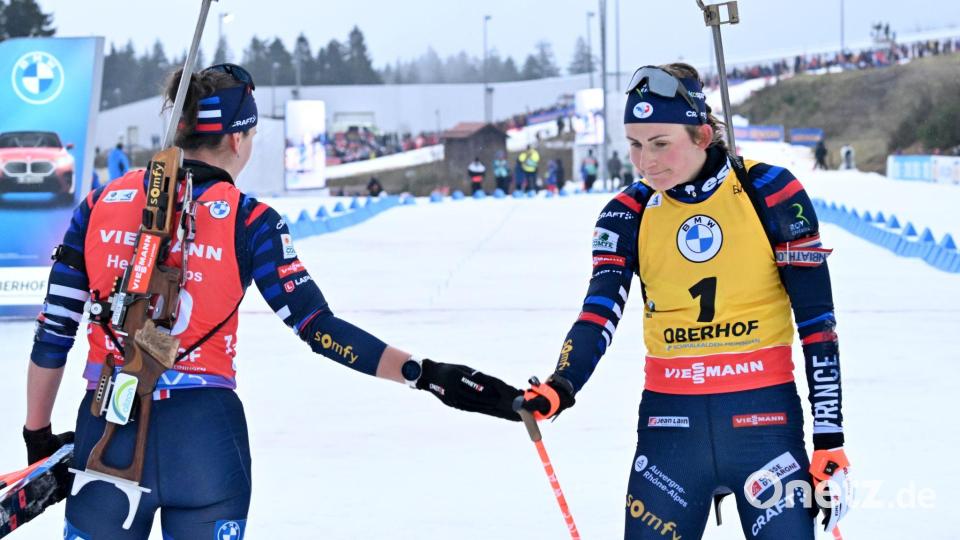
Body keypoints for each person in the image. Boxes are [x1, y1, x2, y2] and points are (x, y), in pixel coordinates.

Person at [23, 63, 520, 539]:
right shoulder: (252, 220)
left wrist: (39, 435)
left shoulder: (99, 203)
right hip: (204, 440)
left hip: (107, 428)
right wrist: (425, 373)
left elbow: (54, 334)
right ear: (236, 139)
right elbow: (319, 327)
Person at [512, 63, 851, 539]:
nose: (645, 161)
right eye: (634, 144)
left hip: (765, 425)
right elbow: (599, 312)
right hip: (671, 430)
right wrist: (562, 383)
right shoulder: (626, 213)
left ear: (702, 135)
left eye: (660, 143)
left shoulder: (771, 191)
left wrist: (830, 438)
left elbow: (818, 325)